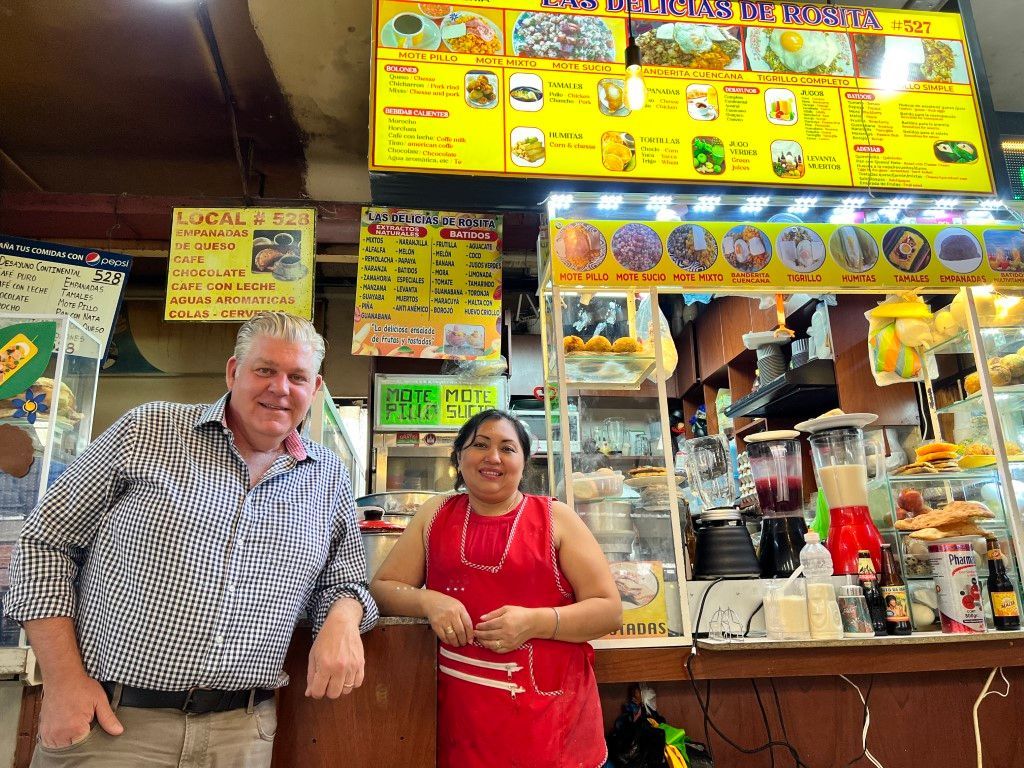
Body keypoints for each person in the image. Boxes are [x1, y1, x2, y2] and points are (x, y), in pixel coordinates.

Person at [3, 312, 377, 767]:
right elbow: (46, 542)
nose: (280, 388)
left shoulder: (327, 476)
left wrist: (342, 614)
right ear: (233, 372)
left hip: (242, 733)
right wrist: (62, 682)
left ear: (314, 390)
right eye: (265, 370)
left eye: (297, 377)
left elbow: (346, 580)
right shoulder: (148, 430)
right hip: (113, 725)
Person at [370, 409, 621, 768]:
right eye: (480, 445)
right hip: (460, 721)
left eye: (507, 448)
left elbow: (609, 611)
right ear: (459, 456)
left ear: (523, 462)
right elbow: (382, 588)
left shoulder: (557, 518)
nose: (493, 457)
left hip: (550, 723)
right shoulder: (434, 514)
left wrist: (535, 622)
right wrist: (428, 600)